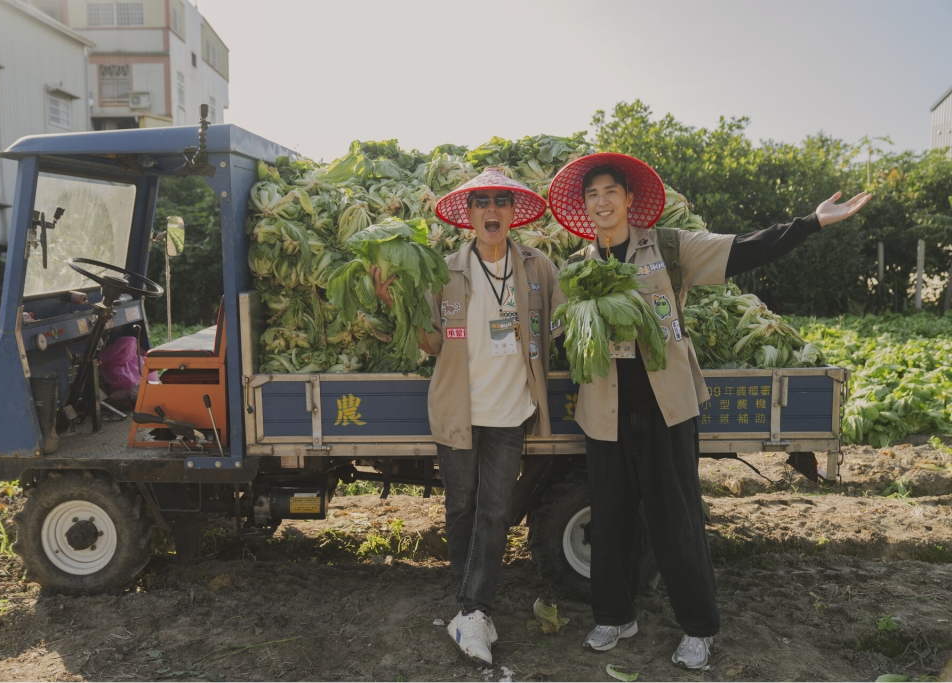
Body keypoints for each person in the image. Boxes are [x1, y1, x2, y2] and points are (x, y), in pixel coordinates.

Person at [546, 152, 871, 669]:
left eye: (611, 192)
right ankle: (614, 616)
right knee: (610, 520)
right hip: (603, 415)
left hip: (666, 411)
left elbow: (741, 250)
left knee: (676, 521)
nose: (602, 202)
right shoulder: (579, 270)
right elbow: (559, 334)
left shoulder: (668, 248)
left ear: (629, 200)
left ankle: (698, 628)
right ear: (584, 207)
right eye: (592, 195)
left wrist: (809, 223)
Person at [372, 167, 566, 667]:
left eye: (502, 201)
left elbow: (563, 320)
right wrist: (392, 300)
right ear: (469, 215)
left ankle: (474, 609)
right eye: (482, 202)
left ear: (513, 212)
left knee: (495, 512)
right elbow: (431, 343)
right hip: (459, 410)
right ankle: (470, 604)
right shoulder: (446, 271)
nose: (492, 210)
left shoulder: (538, 266)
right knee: (460, 507)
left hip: (510, 413)